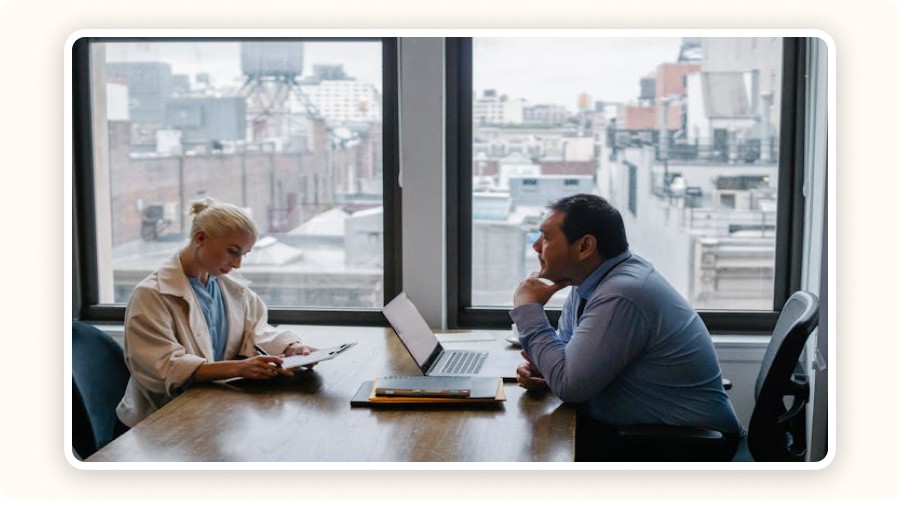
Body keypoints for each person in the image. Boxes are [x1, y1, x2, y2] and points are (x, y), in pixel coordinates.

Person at [510, 193, 743, 460]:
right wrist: (544, 369)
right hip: (639, 433)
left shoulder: (622, 294)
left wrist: (528, 309)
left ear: (585, 247)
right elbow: (566, 354)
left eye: (547, 237)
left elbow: (570, 386)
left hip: (685, 446)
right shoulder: (588, 281)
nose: (536, 246)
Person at [116, 198, 317, 427]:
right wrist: (238, 368)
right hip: (158, 422)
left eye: (244, 254)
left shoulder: (228, 285)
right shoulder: (152, 294)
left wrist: (291, 348)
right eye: (233, 251)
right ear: (200, 238)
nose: (238, 264)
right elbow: (162, 367)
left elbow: (254, 331)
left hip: (210, 412)